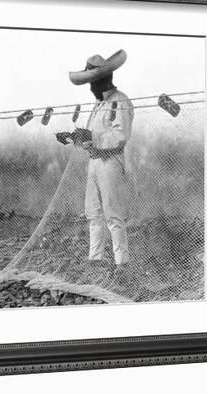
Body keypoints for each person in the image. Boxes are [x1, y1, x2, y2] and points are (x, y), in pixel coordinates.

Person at [67, 50, 134, 282]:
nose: (90, 88)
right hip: (94, 162)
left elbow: (120, 136)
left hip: (110, 162)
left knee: (113, 214)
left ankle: (122, 264)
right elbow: (92, 135)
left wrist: (91, 139)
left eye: (91, 84)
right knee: (93, 212)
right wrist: (74, 137)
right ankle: (95, 260)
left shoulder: (120, 100)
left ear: (101, 80)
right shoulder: (98, 104)